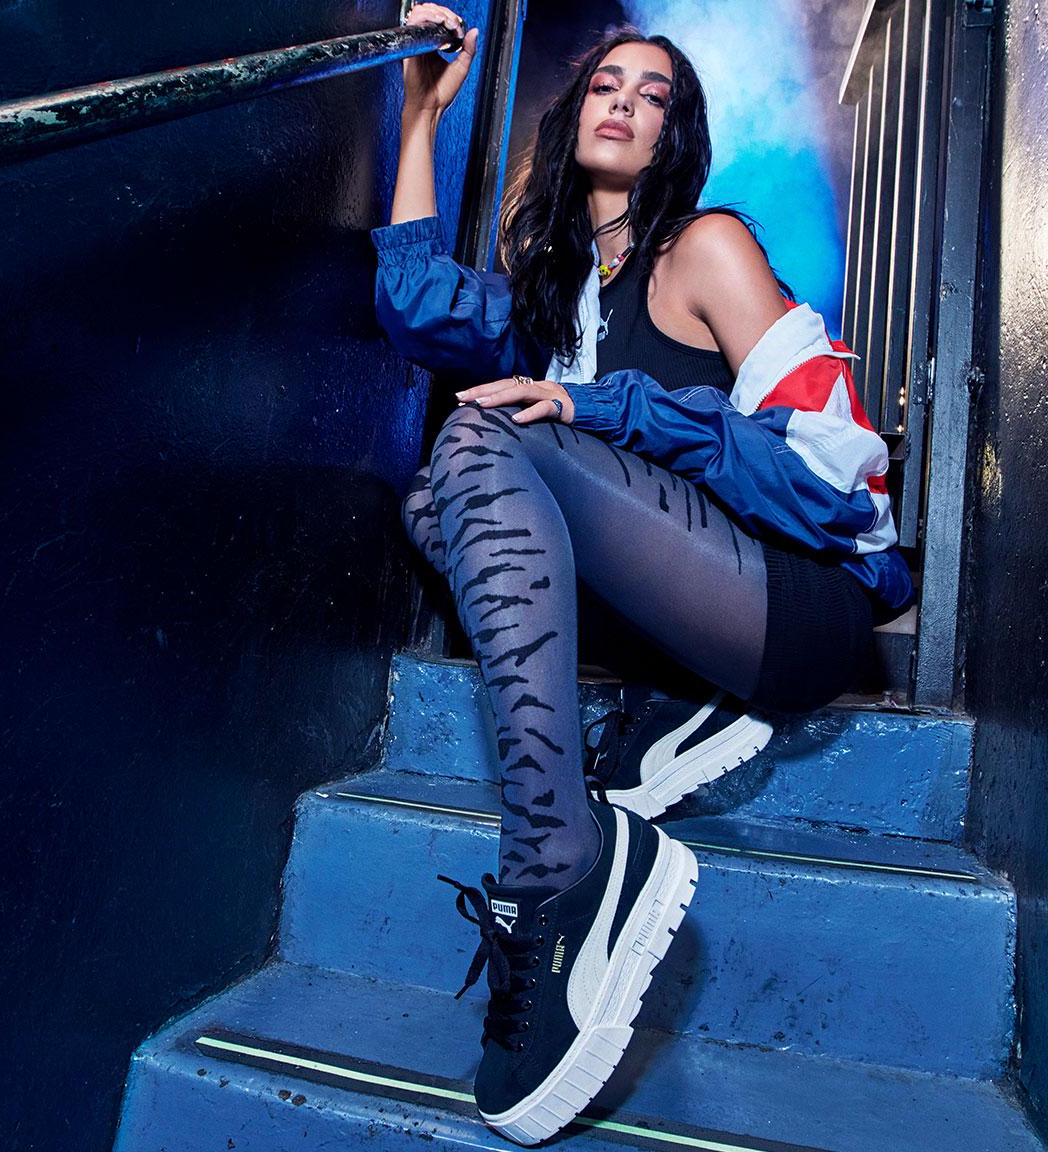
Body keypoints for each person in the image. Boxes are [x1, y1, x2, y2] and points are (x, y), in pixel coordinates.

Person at [372, 6, 915, 1144]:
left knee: (488, 435)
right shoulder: (555, 294)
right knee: (435, 494)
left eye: (652, 93)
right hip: (685, 615)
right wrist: (422, 112)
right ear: (574, 117)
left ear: (673, 136)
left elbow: (840, 485)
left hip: (792, 606)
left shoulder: (705, 250)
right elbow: (415, 306)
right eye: (605, 84)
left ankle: (559, 857)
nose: (622, 100)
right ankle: (663, 699)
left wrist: (605, 405)